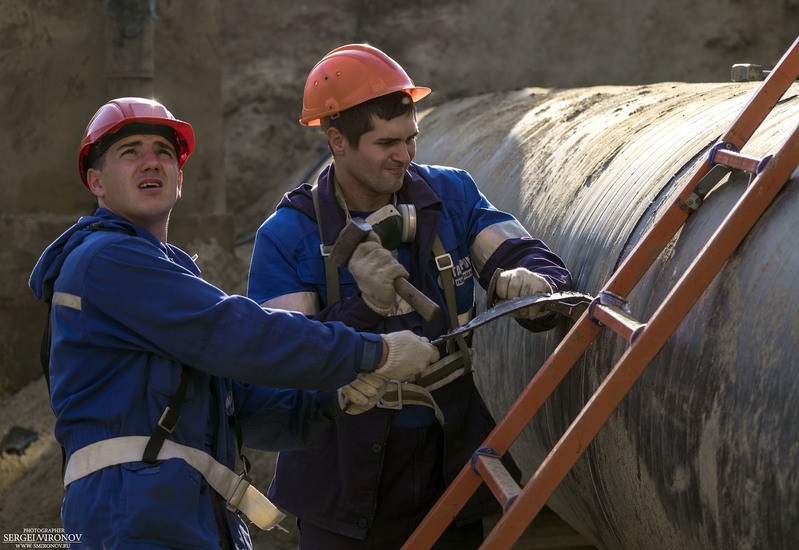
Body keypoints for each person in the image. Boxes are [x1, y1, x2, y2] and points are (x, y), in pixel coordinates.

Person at [28, 96, 440, 549]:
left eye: (164, 153)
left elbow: (236, 409)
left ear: (180, 178)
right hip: (136, 518)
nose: (152, 163)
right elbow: (235, 332)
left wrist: (331, 399)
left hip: (178, 513)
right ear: (96, 181)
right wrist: (372, 351)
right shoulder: (107, 259)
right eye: (131, 152)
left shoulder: (161, 274)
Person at [247, 44, 573, 549]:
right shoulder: (289, 235)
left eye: (410, 139)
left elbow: (530, 257)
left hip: (449, 471)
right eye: (386, 143)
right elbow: (285, 360)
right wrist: (363, 309)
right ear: (336, 140)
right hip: (340, 481)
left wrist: (535, 285)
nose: (405, 155)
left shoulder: (451, 198)